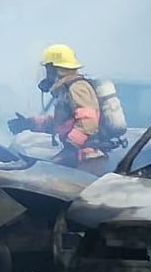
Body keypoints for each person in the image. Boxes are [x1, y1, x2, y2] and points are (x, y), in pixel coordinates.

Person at [7, 44, 108, 176]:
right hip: (79, 157)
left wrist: (71, 147)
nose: (46, 75)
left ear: (56, 69)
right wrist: (30, 123)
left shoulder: (77, 87)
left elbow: (88, 121)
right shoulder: (66, 90)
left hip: (87, 160)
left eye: (48, 69)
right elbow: (62, 124)